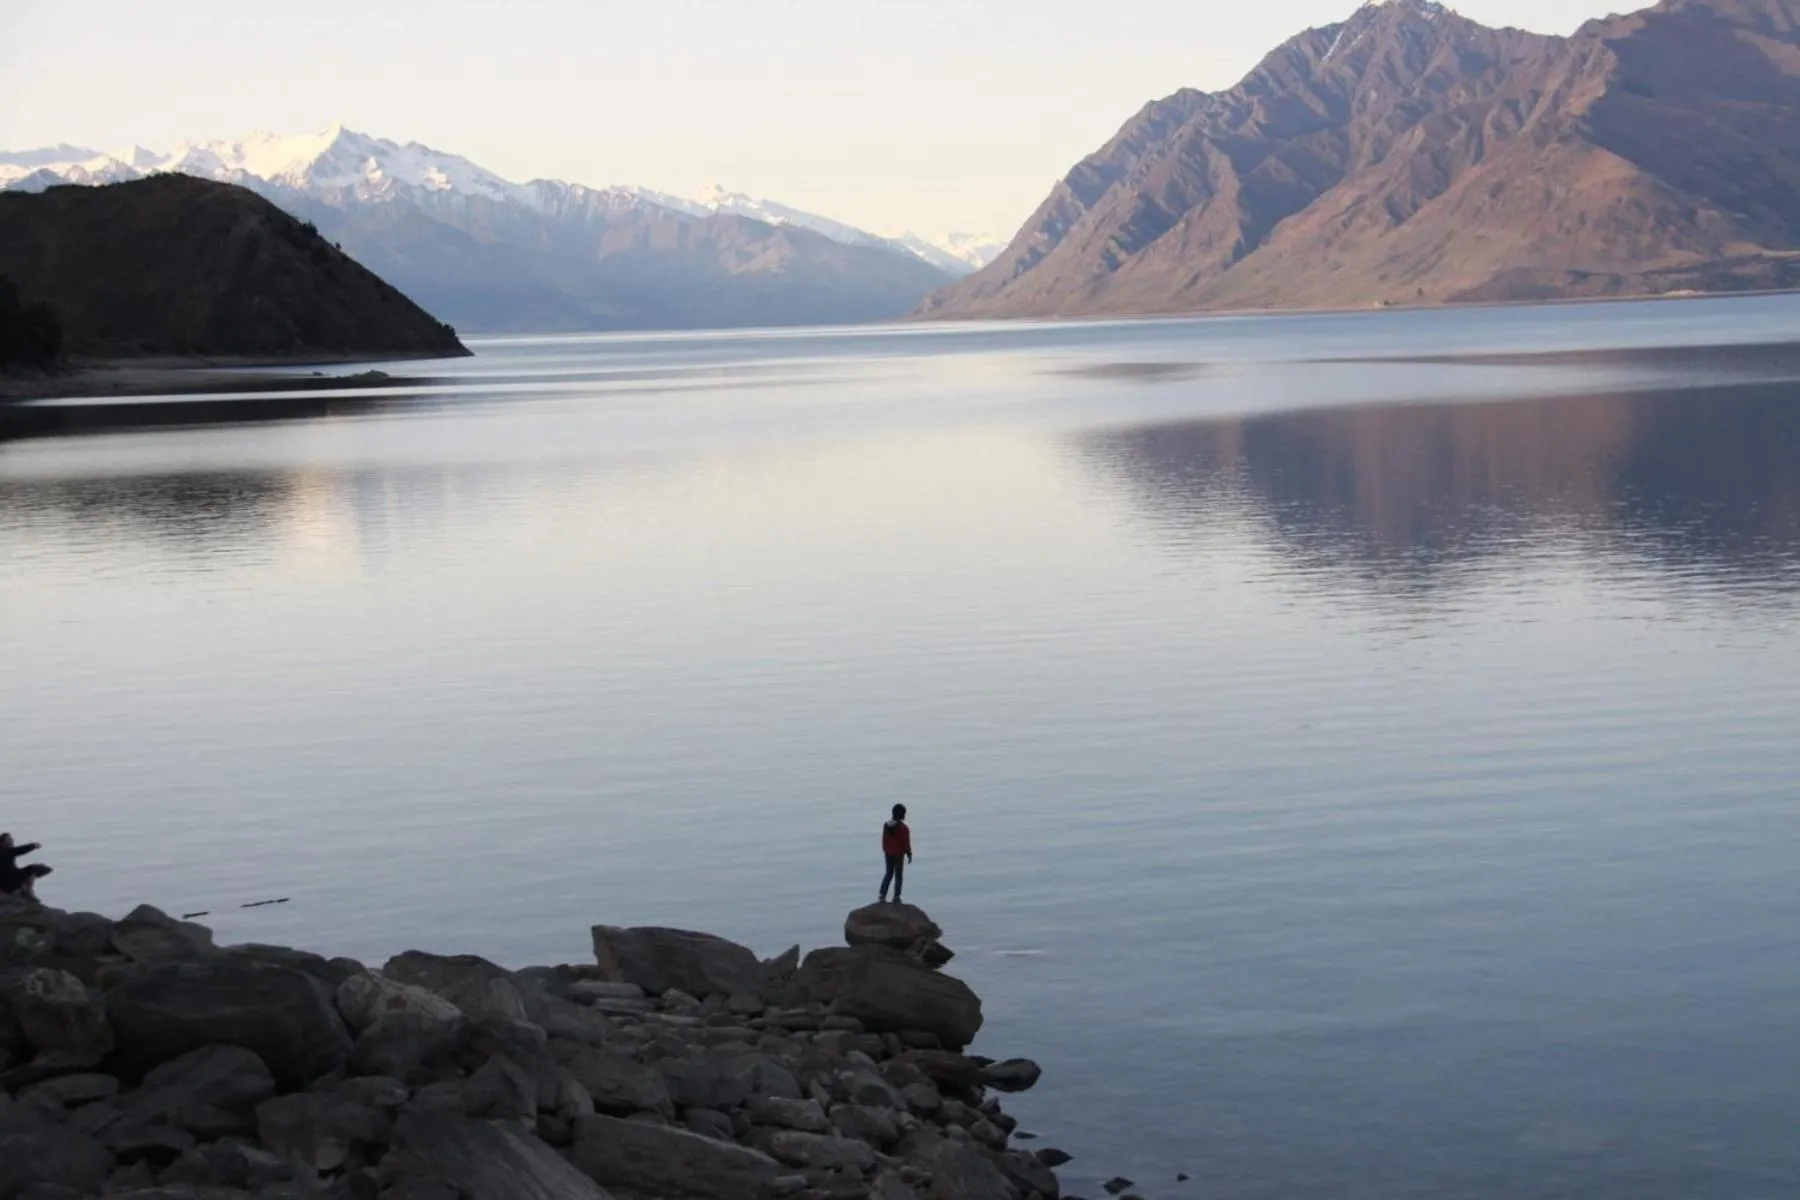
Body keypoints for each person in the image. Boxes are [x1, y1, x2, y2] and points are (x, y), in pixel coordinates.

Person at [0, 833, 52, 902]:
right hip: (9, 882)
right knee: (33, 868)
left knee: (29, 871)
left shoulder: (7, 851)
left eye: (11, 839)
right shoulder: (7, 851)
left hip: (4, 883)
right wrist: (33, 845)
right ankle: (29, 891)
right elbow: (20, 850)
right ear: (2, 843)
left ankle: (23, 887)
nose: (12, 841)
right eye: (9, 840)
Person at [879, 804, 913, 904]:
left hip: (888, 853)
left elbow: (884, 840)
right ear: (902, 815)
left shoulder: (886, 826)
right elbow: (906, 842)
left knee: (888, 874)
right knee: (898, 876)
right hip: (899, 854)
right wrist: (909, 853)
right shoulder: (903, 828)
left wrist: (885, 850)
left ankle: (882, 895)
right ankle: (896, 897)